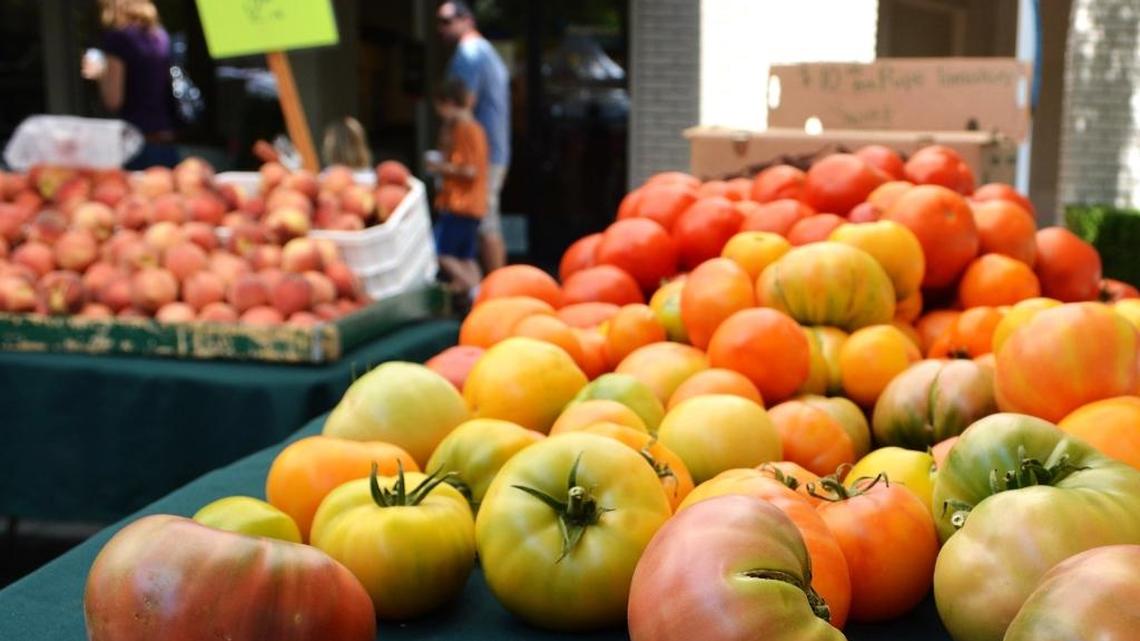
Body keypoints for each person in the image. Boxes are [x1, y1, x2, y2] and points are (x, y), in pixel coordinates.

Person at [437, 0, 510, 274]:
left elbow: (463, 105)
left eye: (447, 21)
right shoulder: (486, 52)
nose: (441, 28)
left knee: (485, 222)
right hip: (492, 152)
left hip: (479, 157)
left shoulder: (469, 53)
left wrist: (446, 154)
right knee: (484, 222)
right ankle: (487, 290)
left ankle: (499, 293)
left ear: (467, 19)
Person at [82, 0, 178, 170]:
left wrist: (99, 74)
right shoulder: (160, 36)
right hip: (166, 140)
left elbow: (113, 100)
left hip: (137, 145)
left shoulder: (118, 38)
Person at [429, 78, 489, 299]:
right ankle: (481, 292)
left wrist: (440, 166)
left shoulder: (464, 129)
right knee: (467, 257)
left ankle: (474, 291)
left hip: (459, 203)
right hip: (474, 204)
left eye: (441, 107)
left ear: (450, 103)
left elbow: (468, 170)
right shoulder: (476, 128)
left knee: (439, 253)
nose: (440, 114)